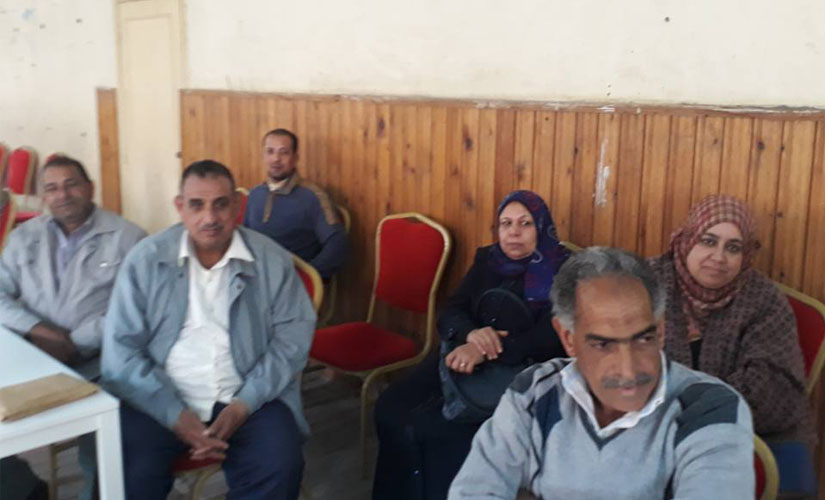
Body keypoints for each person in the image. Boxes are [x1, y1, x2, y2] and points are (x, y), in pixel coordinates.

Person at [449, 247, 755, 499]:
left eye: (643, 339)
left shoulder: (709, 408)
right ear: (568, 338)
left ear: (661, 331)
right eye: (603, 345)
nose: (628, 370)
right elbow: (473, 491)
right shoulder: (533, 392)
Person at [101, 160, 316, 500]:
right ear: (180, 207)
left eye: (221, 204)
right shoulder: (145, 260)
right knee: (127, 469)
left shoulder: (271, 260)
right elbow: (120, 351)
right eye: (197, 205)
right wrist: (173, 413)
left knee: (281, 463)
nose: (210, 217)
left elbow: (292, 341)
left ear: (238, 205)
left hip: (248, 393)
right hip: (158, 397)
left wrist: (243, 405)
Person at [372, 190, 569, 500]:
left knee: (436, 431)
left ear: (542, 227)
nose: (513, 232)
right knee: (390, 407)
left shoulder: (562, 271)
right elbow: (452, 309)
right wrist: (470, 334)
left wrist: (488, 349)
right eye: (505, 223)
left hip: (519, 375)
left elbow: (550, 337)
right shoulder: (488, 260)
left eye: (525, 223)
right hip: (460, 355)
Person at [0, 155, 146, 500]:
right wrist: (38, 329)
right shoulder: (25, 236)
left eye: (71, 185)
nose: (62, 195)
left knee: (103, 447)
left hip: (100, 363)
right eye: (52, 188)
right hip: (33, 357)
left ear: (90, 188)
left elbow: (135, 310)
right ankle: (25, 490)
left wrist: (74, 342)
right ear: (43, 196)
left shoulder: (129, 238)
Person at [649, 194, 815, 497]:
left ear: (746, 254)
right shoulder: (646, 284)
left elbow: (772, 390)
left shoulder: (765, 302)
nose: (719, 257)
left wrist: (690, 411)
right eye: (708, 241)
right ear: (687, 239)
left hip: (756, 428)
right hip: (650, 421)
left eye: (733, 247)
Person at [243, 128, 348, 278]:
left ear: (295, 158)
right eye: (270, 152)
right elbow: (246, 239)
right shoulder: (255, 194)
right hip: (254, 277)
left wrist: (307, 277)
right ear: (263, 156)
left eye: (284, 152)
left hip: (292, 281)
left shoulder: (313, 196)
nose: (276, 159)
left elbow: (337, 245)